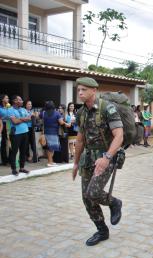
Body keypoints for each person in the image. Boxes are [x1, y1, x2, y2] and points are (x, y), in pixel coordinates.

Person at [72, 77, 123, 246]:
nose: (80, 93)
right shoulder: (81, 113)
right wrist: (75, 163)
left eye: (84, 89)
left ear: (94, 90)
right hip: (88, 158)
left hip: (106, 156)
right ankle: (102, 231)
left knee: (93, 192)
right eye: (78, 90)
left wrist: (107, 157)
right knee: (86, 198)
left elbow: (119, 136)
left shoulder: (107, 108)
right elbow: (80, 140)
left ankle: (115, 203)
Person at [8, 95, 31, 176]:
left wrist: (20, 119)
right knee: (14, 151)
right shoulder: (10, 110)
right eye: (20, 100)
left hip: (25, 132)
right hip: (15, 134)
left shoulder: (24, 109)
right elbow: (14, 122)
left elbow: (29, 118)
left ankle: (21, 168)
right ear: (15, 101)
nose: (22, 101)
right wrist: (23, 119)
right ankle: (14, 169)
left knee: (23, 151)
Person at [40, 101, 66, 167]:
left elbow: (38, 117)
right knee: (51, 148)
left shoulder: (44, 113)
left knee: (49, 147)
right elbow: (61, 122)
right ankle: (50, 162)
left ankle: (51, 161)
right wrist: (66, 123)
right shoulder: (56, 113)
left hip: (46, 132)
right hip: (53, 132)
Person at [0, 94, 10, 165]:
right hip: (2, 125)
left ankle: (11, 159)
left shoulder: (9, 107)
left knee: (10, 142)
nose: (8, 99)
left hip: (9, 125)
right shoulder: (0, 108)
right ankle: (4, 160)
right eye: (6, 98)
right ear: (2, 99)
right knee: (3, 143)